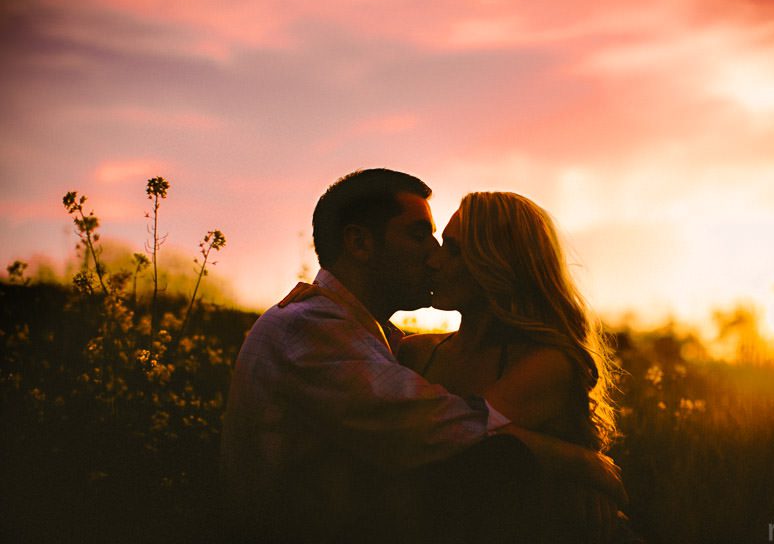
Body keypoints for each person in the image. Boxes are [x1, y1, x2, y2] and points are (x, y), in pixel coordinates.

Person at [221, 169, 625, 544]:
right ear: (360, 243)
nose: (433, 257)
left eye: (448, 246)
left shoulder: (366, 336)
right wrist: (582, 463)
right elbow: (449, 433)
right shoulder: (311, 330)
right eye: (420, 236)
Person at [399, 191, 625, 542]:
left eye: (455, 250)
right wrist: (579, 461)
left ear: (497, 263)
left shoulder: (546, 363)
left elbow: (471, 438)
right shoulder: (414, 352)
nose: (434, 261)